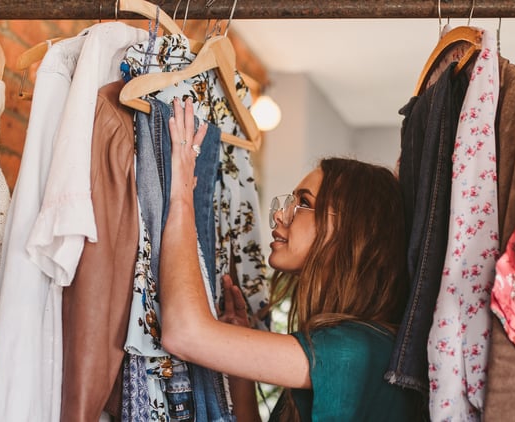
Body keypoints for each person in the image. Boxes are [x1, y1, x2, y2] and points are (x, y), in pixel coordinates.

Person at [160, 98, 419, 421]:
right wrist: (240, 371)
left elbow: (183, 334)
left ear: (352, 230)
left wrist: (182, 194)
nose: (281, 215)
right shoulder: (345, 342)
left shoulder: (354, 349)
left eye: (303, 203)